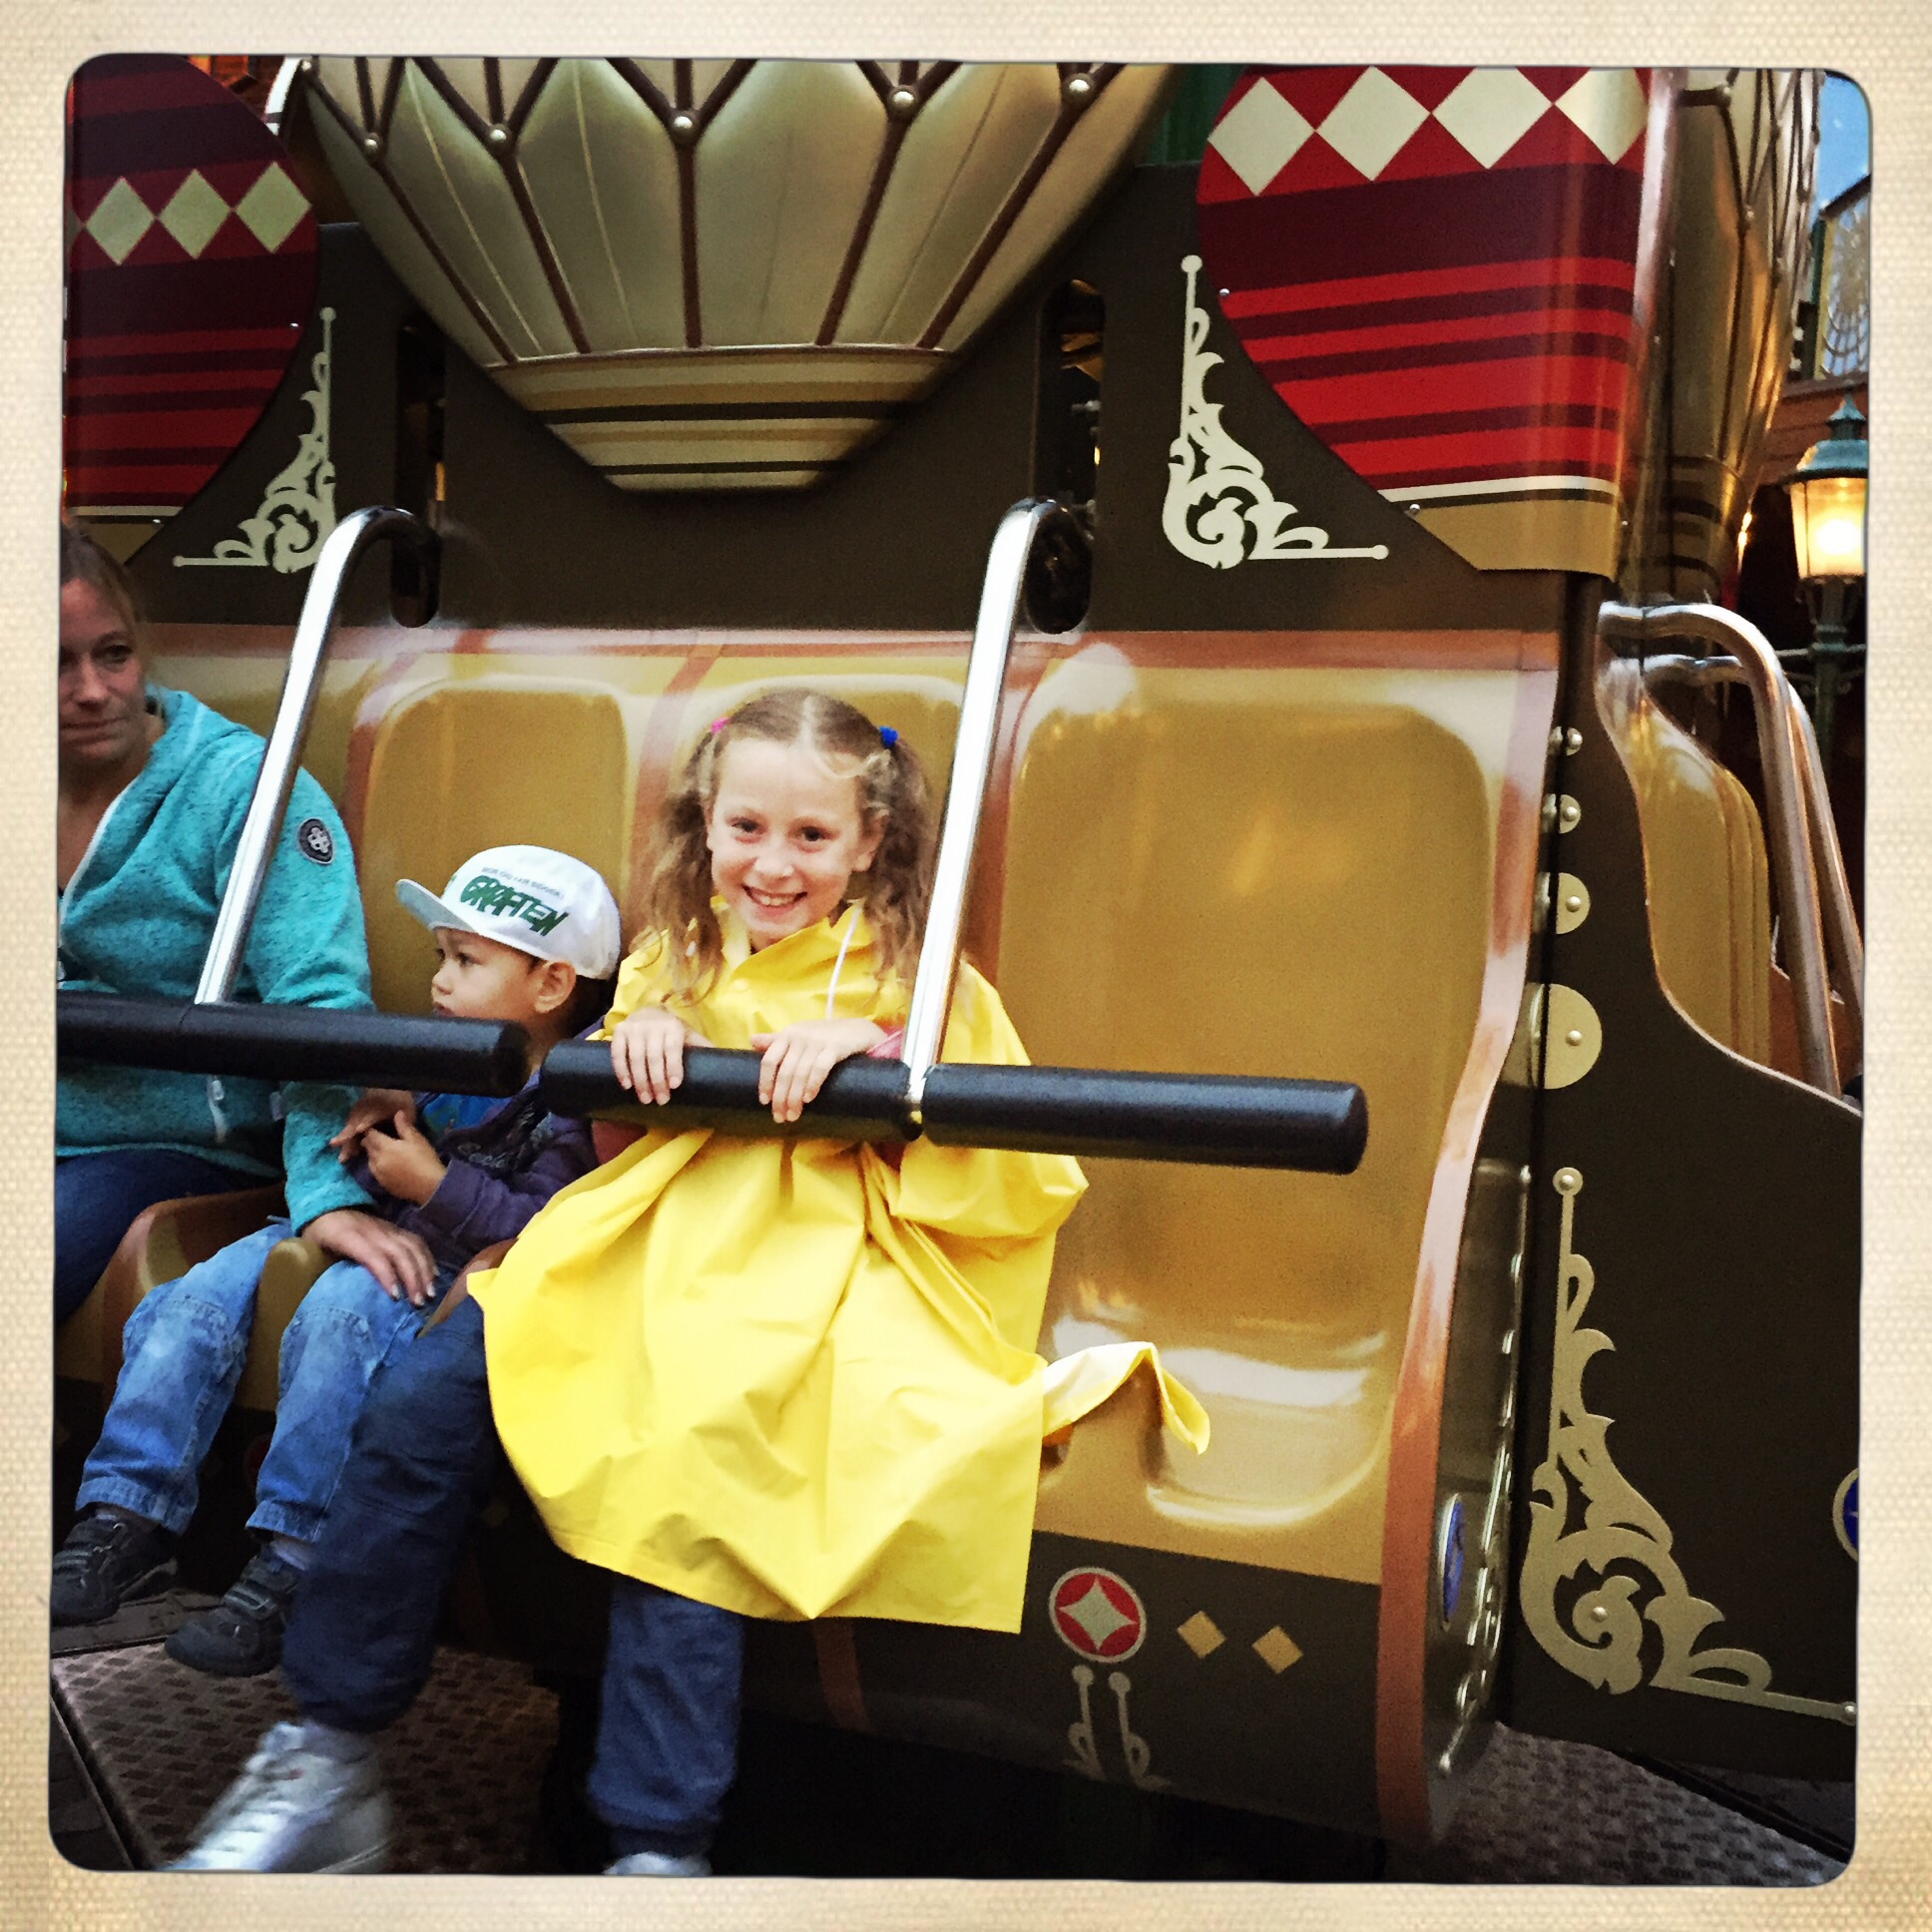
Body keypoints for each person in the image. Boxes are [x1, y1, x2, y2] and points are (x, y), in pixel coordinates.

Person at [170, 690, 1204, 1875]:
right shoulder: (676, 955)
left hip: (807, 1273)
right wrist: (636, 1050)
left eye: (811, 836)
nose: (774, 864)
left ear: (869, 840)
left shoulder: (920, 984)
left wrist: (872, 1057)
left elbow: (1004, 1183)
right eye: (747, 828)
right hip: (637, 1247)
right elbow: (612, 1145)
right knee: (424, 1402)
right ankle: (330, 1748)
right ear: (706, 822)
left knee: (688, 1467)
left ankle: (658, 1848)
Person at [51, 846, 621, 1678]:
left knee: (341, 1318)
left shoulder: (571, 1098)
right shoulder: (432, 1056)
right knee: (187, 1303)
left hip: (437, 1267)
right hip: (345, 1228)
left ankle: (295, 1558)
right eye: (440, 957)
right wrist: (367, 1128)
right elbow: (347, 1156)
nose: (440, 982)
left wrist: (434, 1186)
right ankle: (125, 1515)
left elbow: (544, 1226)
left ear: (552, 984)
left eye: (467, 961)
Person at [56, 519, 403, 1322]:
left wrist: (324, 1192)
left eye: (114, 654)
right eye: (54, 664)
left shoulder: (242, 790)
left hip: (180, 1147)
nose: (93, 690)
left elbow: (319, 1000)